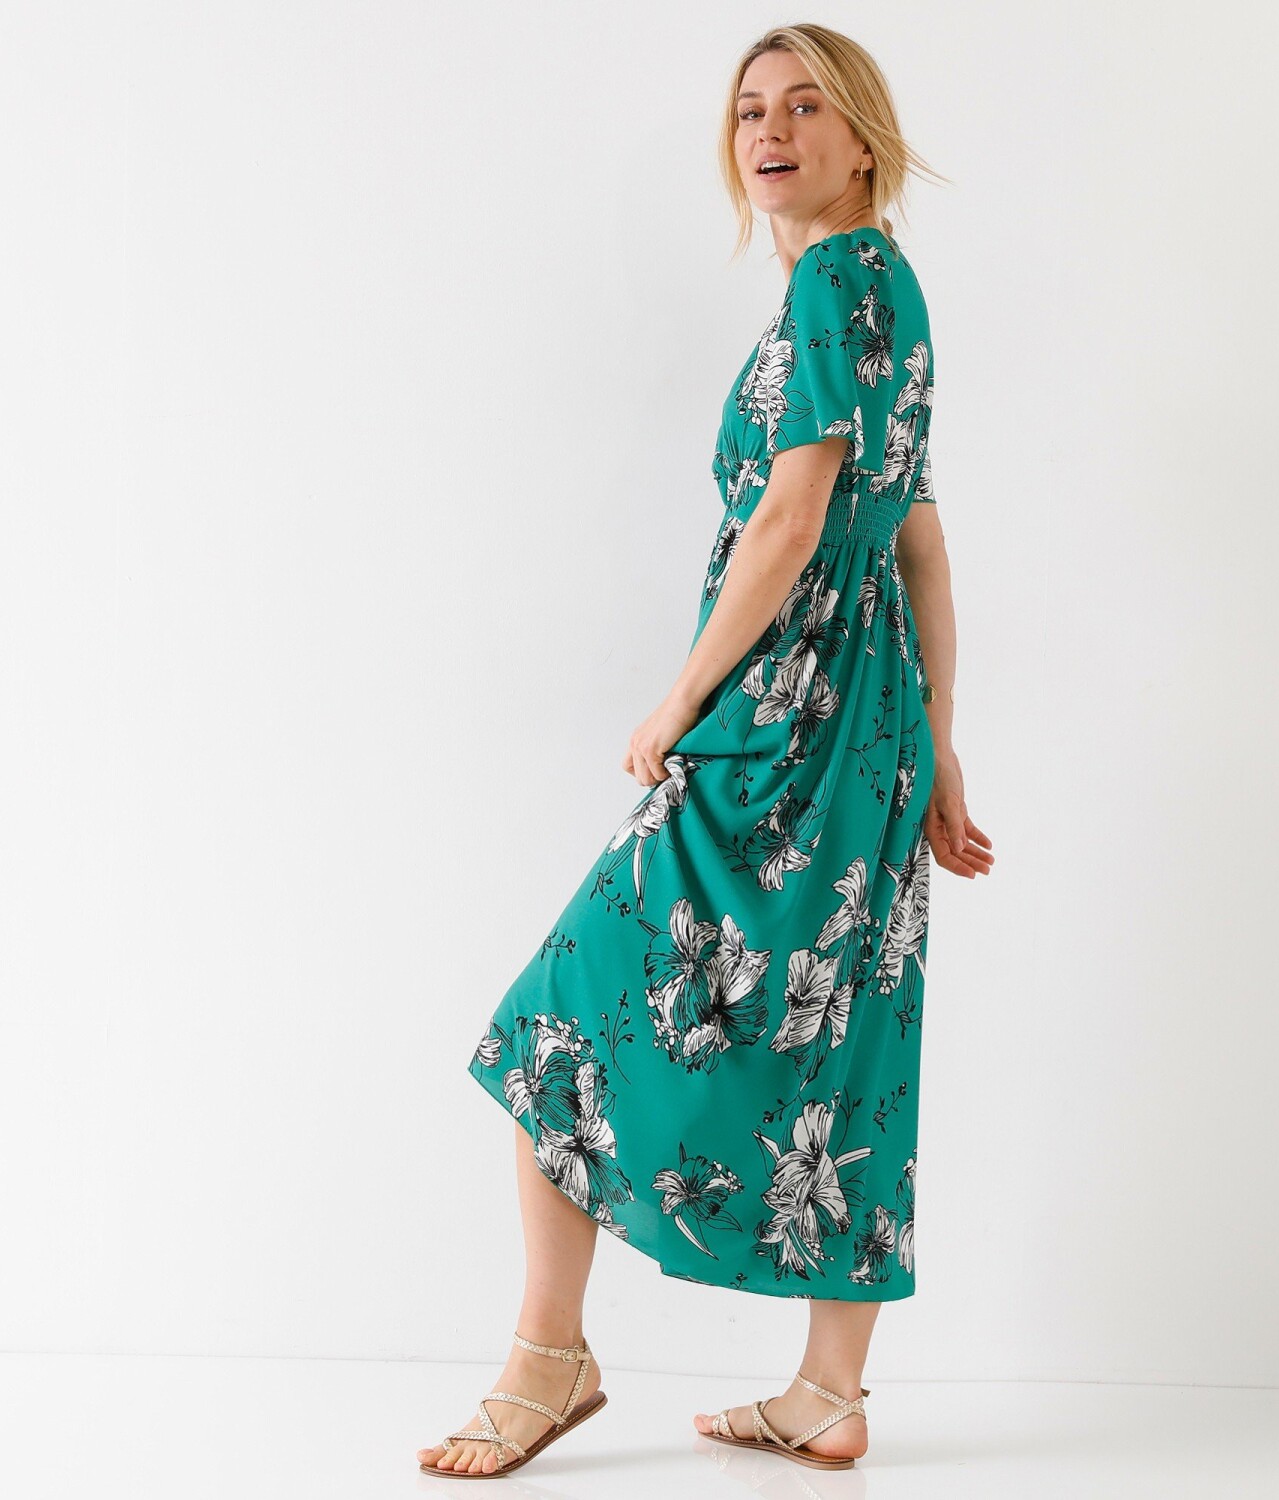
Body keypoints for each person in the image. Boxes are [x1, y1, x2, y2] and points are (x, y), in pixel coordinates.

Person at [418, 22, 994, 1480]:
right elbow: (922, 542)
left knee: (560, 1013)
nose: (771, 131)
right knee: (851, 1028)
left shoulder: (833, 283)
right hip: (871, 725)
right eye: (749, 110)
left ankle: (549, 1359)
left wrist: (680, 700)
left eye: (805, 107)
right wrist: (936, 745)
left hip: (785, 718)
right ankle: (828, 1394)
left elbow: (796, 518)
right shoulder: (889, 286)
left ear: (863, 140)